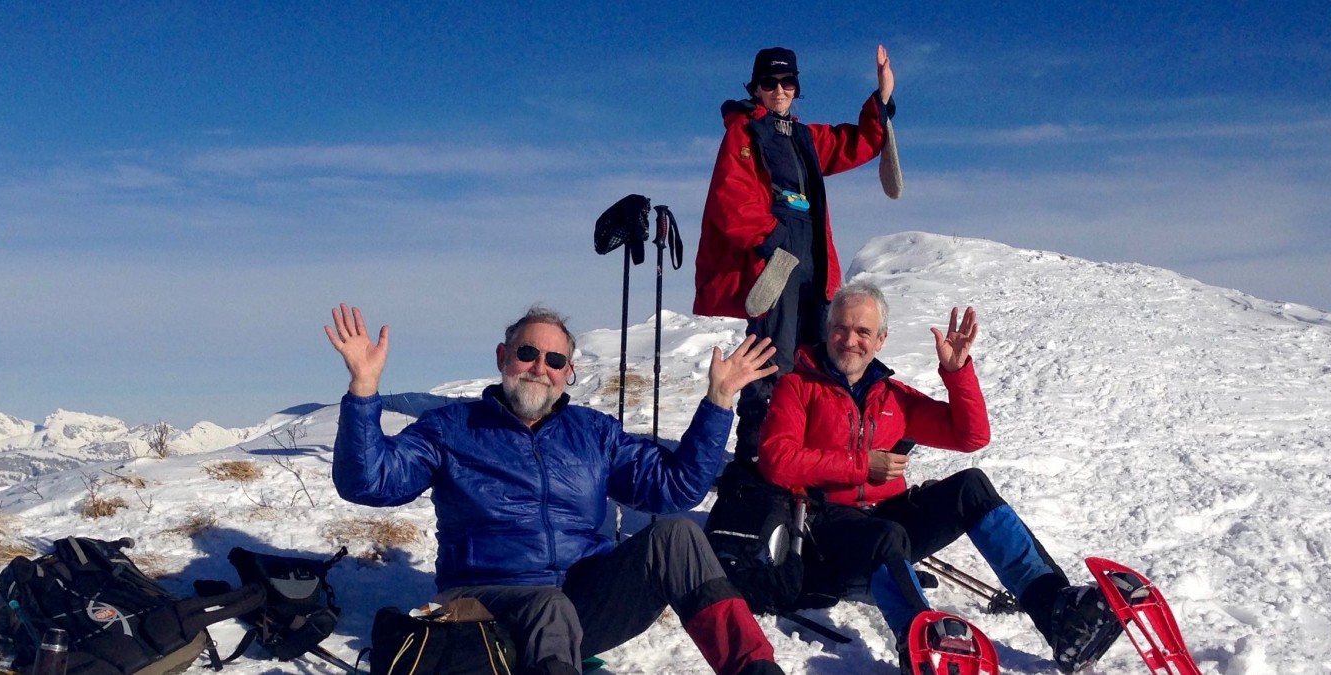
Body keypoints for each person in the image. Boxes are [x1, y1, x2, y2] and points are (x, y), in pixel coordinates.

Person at [326, 303, 787, 675]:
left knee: (679, 537)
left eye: (554, 360)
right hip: (484, 600)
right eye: (527, 353)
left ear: (568, 371)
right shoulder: (451, 428)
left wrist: (719, 401)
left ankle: (755, 669)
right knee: (549, 606)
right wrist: (363, 390)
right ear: (502, 357)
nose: (538, 367)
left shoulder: (593, 433)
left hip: (580, 600)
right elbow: (368, 481)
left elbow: (677, 488)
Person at [757, 282, 1123, 673]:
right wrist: (863, 464)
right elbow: (777, 460)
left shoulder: (891, 396)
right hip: (824, 528)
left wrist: (956, 372)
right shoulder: (797, 387)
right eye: (841, 328)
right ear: (827, 331)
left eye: (863, 331)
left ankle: (1058, 615)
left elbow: (971, 436)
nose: (850, 340)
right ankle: (921, 644)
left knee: (971, 487)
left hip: (884, 521)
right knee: (887, 535)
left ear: (880, 340)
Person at [692, 46, 897, 458]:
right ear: (756, 88)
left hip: (814, 263)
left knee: (814, 355)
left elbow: (854, 142)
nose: (779, 90)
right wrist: (772, 241)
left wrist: (882, 97)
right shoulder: (744, 133)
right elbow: (728, 199)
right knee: (771, 354)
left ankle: (804, 444)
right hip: (777, 261)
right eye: (770, 83)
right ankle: (757, 450)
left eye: (787, 83)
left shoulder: (804, 137)